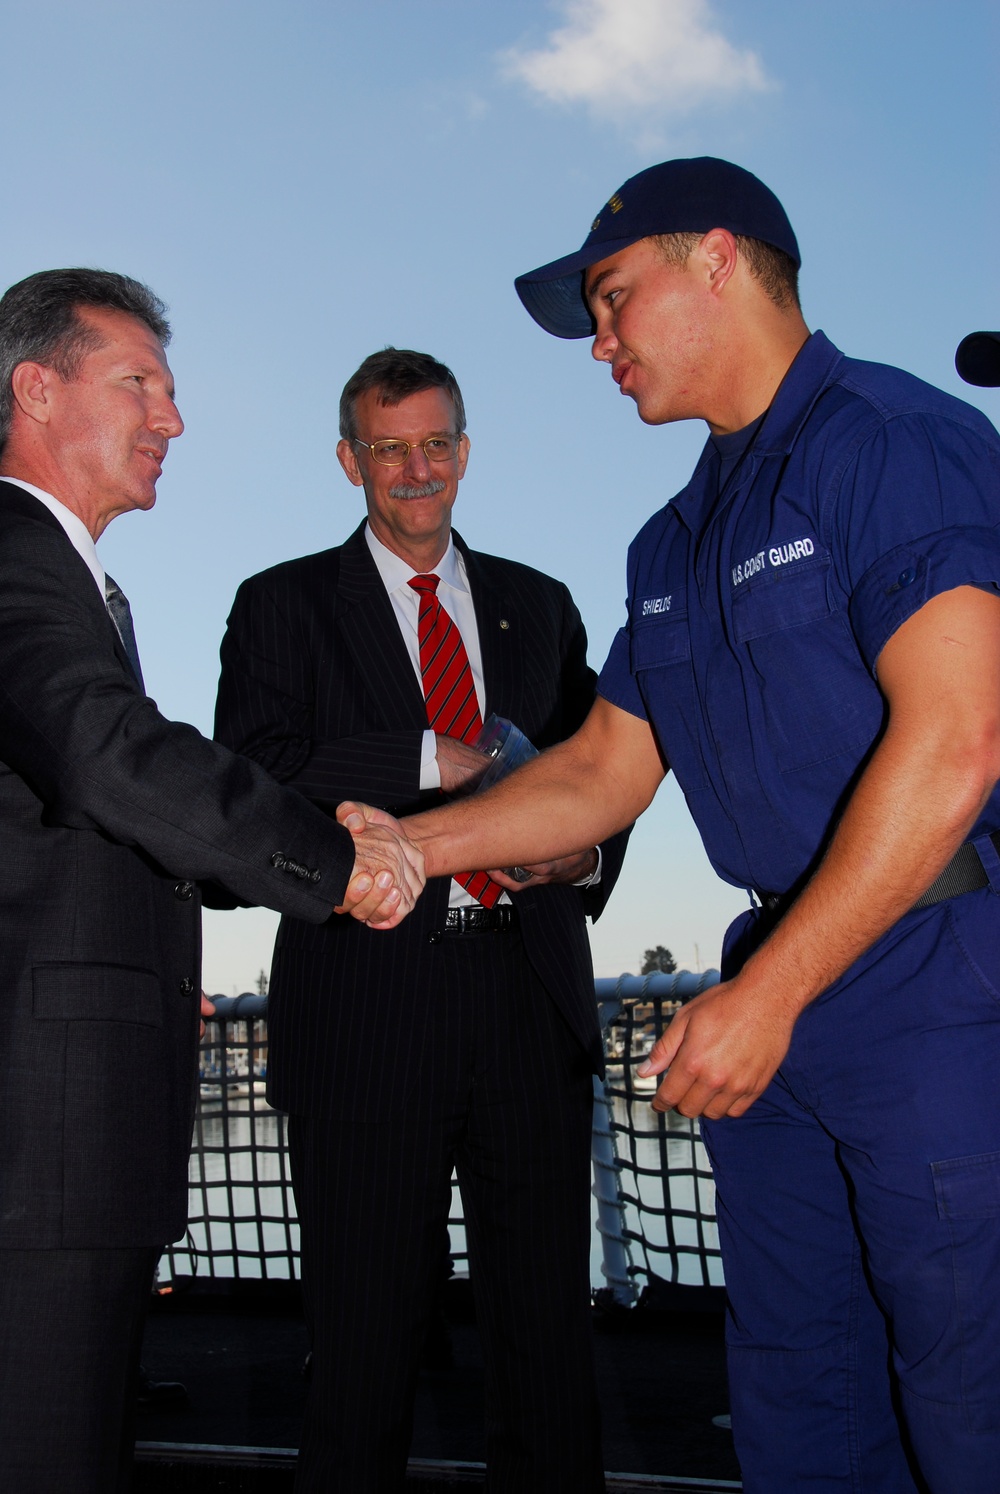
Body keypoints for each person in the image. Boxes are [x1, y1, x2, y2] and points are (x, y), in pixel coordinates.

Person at [353, 160, 1000, 1493]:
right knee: (801, 1390)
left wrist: (773, 991)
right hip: (780, 993)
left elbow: (956, 741)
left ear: (717, 256)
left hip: (936, 979)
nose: (599, 340)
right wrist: (412, 843)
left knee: (973, 1382)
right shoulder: (671, 539)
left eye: (611, 295)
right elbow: (601, 768)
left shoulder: (891, 439)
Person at [0, 268, 420, 1494]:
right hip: (39, 1146)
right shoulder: (20, 556)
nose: (173, 419)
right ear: (36, 388)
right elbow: (103, 755)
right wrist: (335, 860)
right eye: (140, 383)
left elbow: (118, 812)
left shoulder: (74, 581)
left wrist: (294, 838)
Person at [213, 348, 627, 1493]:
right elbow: (252, 773)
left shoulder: (540, 607)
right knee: (361, 1349)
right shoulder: (280, 605)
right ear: (349, 460)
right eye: (388, 448)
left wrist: (583, 852)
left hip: (528, 1003)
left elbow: (604, 766)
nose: (415, 470)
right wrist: (425, 758)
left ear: (465, 453)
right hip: (366, 1008)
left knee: (548, 1345)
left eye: (435, 444)